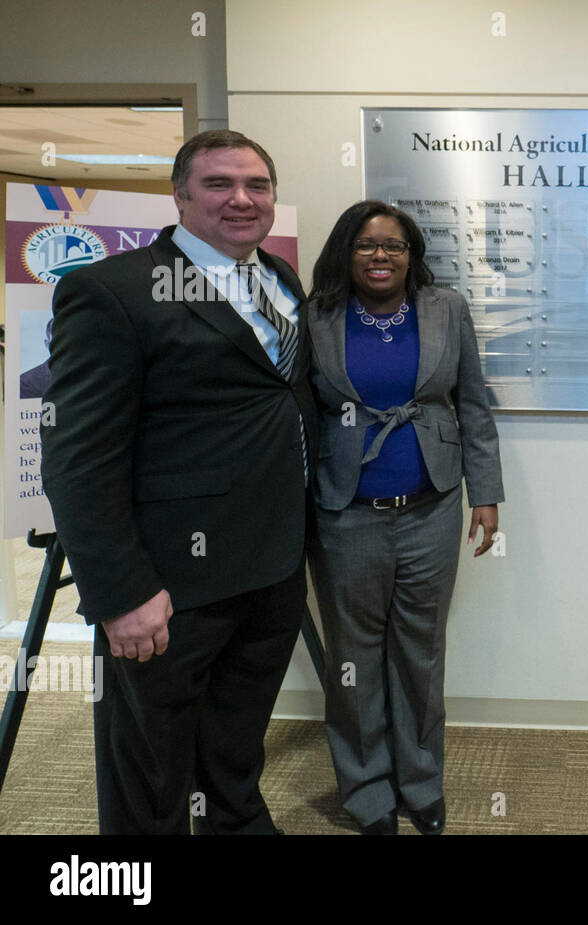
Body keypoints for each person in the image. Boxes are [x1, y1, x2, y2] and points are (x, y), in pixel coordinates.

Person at [41, 129, 316, 834]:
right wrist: (121, 591)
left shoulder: (281, 280)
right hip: (167, 587)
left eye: (257, 185)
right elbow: (78, 457)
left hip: (271, 569)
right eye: (219, 184)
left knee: (232, 749)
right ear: (181, 195)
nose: (241, 199)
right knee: (149, 778)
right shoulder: (112, 290)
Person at [305, 200, 503, 836]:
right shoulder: (316, 316)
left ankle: (421, 785)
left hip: (432, 509)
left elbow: (473, 404)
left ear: (412, 253)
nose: (381, 255)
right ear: (347, 252)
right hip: (345, 513)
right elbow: (296, 417)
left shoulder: (446, 309)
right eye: (366, 245)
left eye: (394, 245)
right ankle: (366, 792)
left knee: (420, 653)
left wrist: (487, 494)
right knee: (353, 659)